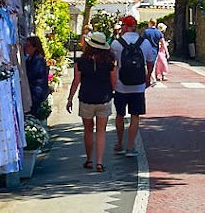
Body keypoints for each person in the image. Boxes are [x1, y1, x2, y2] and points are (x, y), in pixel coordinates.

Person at [66, 31, 115, 171]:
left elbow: (76, 82)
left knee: (88, 130)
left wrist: (70, 99)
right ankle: (99, 162)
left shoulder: (81, 62)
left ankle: (89, 160)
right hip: (104, 98)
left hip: (86, 98)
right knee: (101, 131)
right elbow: (113, 82)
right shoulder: (110, 61)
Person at [112, 15, 154, 158]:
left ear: (124, 27)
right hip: (138, 86)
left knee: (119, 114)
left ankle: (119, 144)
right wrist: (148, 76)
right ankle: (130, 147)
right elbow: (150, 61)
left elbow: (113, 65)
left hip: (120, 85)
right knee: (135, 115)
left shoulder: (116, 44)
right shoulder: (145, 43)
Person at [24, 35, 51, 111]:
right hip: (35, 90)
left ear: (35, 47)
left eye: (28, 46)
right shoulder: (31, 58)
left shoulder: (37, 60)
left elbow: (31, 74)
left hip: (37, 92)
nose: (26, 48)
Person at [144, 18, 169, 83]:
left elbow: (141, 41)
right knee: (153, 65)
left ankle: (152, 78)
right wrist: (167, 52)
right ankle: (152, 78)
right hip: (155, 51)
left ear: (150, 23)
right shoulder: (159, 33)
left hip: (147, 51)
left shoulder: (146, 32)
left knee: (147, 65)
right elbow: (163, 43)